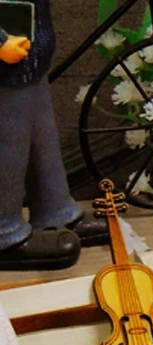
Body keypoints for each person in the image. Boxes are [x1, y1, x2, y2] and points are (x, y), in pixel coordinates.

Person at [0, 0, 107, 270]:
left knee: (43, 139)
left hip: (30, 59)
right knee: (9, 148)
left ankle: (55, 210)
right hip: (6, 66)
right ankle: (4, 231)